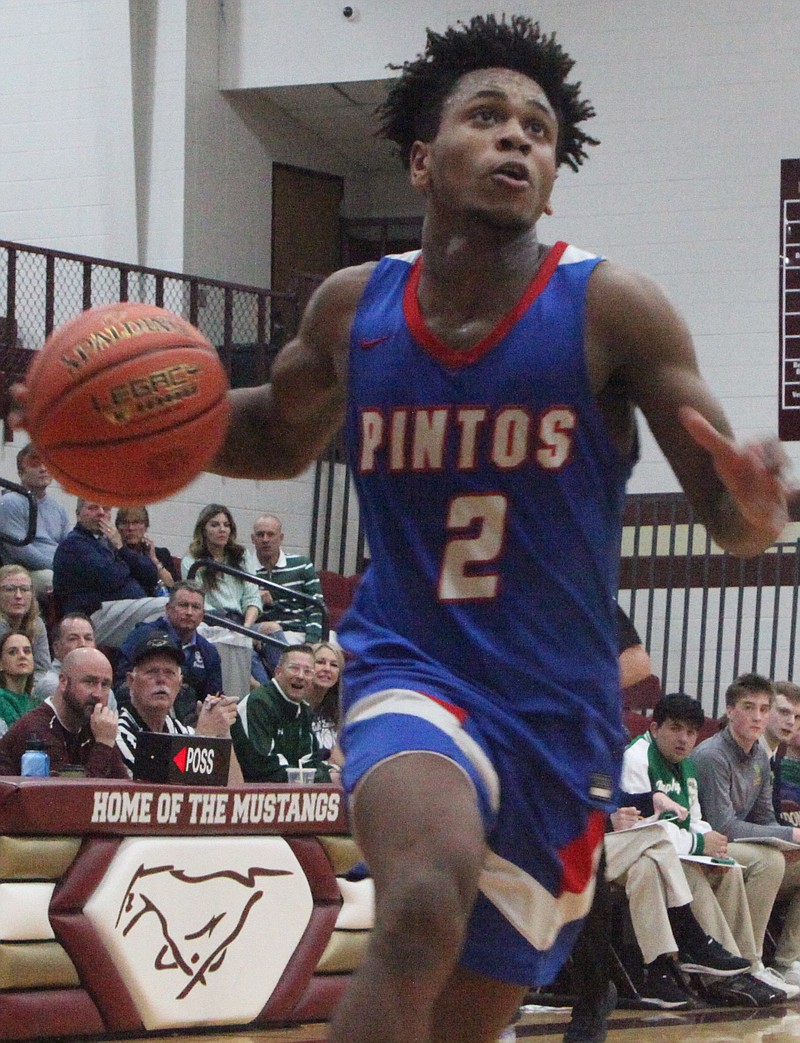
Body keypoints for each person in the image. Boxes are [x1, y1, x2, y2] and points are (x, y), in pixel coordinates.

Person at [205, 14, 793, 1042]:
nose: (517, 138)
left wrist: (752, 505)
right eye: (487, 117)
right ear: (424, 160)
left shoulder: (612, 307)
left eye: (537, 129)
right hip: (410, 667)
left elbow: (728, 523)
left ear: (553, 178)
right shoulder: (353, 308)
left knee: (467, 1016)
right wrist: (131, 437)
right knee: (423, 898)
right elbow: (273, 434)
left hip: (557, 713)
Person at [620, 692, 786, 1004]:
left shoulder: (686, 766)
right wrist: (699, 842)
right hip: (639, 854)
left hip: (675, 850)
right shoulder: (637, 758)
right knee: (690, 873)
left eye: (691, 732)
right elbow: (643, 831)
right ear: (655, 728)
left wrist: (711, 841)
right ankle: (717, 971)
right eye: (675, 729)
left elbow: (694, 819)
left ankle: (746, 966)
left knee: (728, 872)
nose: (684, 739)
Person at [693, 673, 800, 989]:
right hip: (706, 847)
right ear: (729, 710)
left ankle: (786, 962)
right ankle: (748, 963)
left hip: (737, 847)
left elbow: (766, 819)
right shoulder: (712, 755)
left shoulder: (760, 758)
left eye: (764, 709)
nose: (757, 716)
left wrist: (785, 839)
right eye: (748, 707)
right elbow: (722, 825)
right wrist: (790, 836)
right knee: (769, 861)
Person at [115, 631, 242, 784]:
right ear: (131, 681)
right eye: (152, 672)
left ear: (180, 683)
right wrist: (204, 737)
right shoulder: (118, 734)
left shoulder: (183, 732)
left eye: (169, 673)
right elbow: (161, 797)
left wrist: (222, 733)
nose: (161, 680)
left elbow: (236, 793)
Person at [0, 646, 127, 778]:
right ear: (63, 681)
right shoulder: (37, 729)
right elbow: (70, 795)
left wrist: (104, 742)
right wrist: (103, 745)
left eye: (105, 684)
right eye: (89, 682)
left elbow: (127, 791)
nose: (98, 694)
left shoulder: (96, 725)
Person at [52, 500, 165, 646]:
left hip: (118, 612)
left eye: (106, 508)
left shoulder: (111, 543)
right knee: (166, 607)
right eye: (93, 508)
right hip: (89, 618)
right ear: (78, 514)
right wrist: (126, 564)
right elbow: (111, 578)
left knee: (179, 613)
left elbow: (150, 575)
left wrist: (121, 548)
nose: (101, 513)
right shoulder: (74, 544)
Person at [114, 581, 224, 723]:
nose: (189, 612)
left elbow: (214, 696)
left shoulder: (209, 651)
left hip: (192, 725)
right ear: (168, 609)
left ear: (202, 615)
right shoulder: (142, 635)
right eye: (183, 605)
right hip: (143, 714)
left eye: (195, 607)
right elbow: (122, 685)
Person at [232, 644, 331, 783]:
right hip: (251, 794)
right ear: (278, 672)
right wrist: (323, 777)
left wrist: (330, 772)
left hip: (287, 794)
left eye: (307, 671)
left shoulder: (304, 709)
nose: (301, 676)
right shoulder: (258, 703)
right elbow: (262, 768)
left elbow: (309, 761)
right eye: (294, 668)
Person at [0, 443, 69, 597]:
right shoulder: (10, 501)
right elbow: (20, 552)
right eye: (35, 465)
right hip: (24, 572)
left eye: (46, 463)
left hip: (59, 569)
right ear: (21, 473)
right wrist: (59, 568)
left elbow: (68, 547)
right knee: (51, 579)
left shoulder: (59, 508)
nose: (43, 469)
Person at [247, 513, 326, 643]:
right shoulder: (243, 568)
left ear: (281, 537)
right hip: (265, 636)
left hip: (301, 634)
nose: (265, 539)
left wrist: (310, 641)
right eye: (260, 534)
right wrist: (254, 597)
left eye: (270, 534)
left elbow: (317, 609)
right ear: (253, 539)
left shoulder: (302, 565)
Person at [180, 504, 261, 626]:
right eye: (215, 525)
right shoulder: (191, 561)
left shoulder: (242, 556)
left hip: (243, 622)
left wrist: (246, 629)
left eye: (226, 525)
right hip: (212, 621)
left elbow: (252, 598)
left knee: (271, 628)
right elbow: (199, 605)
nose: (222, 529)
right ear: (203, 530)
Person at [0, 564, 51, 688]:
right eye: (10, 589)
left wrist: (30, 689)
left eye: (24, 589)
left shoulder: (37, 624)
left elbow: (42, 670)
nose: (18, 596)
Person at [115, 506, 178, 591]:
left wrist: (154, 560)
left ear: (145, 527)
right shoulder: (113, 555)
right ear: (118, 528)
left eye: (136, 522)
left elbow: (172, 585)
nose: (130, 528)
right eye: (125, 523)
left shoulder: (161, 554)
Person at [309, 639, 344, 762]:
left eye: (334, 665)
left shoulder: (341, 712)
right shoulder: (295, 708)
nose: (327, 669)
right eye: (320, 662)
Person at [0, 631, 37, 736]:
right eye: (12, 652)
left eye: (27, 651)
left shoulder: (38, 702)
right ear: (1, 664)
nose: (22, 656)